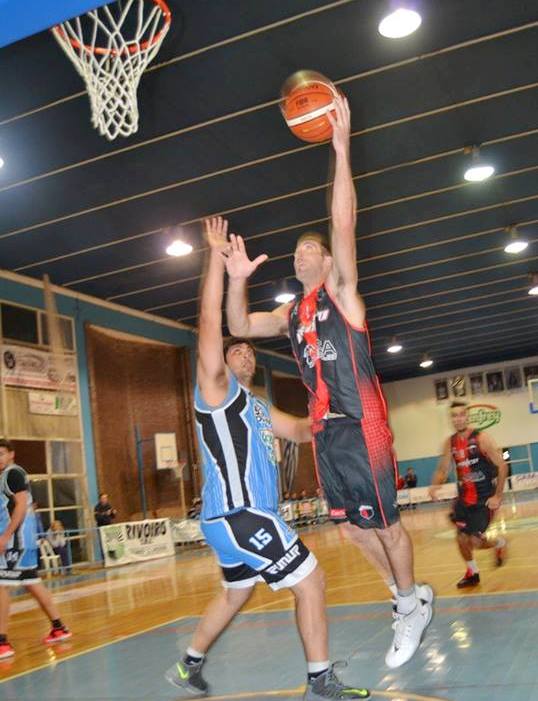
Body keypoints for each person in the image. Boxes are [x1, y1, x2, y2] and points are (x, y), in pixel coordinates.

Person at [225, 94, 432, 668]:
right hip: (326, 434)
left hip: (362, 424)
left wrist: (341, 149)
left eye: (310, 249)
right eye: (296, 252)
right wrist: (236, 278)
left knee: (386, 526)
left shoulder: (342, 294)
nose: (301, 255)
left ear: (328, 262)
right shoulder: (292, 313)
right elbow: (239, 325)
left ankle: (410, 604)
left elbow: (344, 223)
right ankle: (405, 598)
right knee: (352, 531)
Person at [164, 217, 370, 700]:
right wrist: (216, 260)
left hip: (228, 520)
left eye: (249, 353)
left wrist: (337, 417)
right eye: (235, 352)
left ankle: (188, 666)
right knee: (312, 580)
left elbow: (298, 429)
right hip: (241, 514)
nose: (245, 355)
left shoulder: (256, 406)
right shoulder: (215, 392)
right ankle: (320, 680)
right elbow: (209, 321)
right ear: (220, 363)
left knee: (237, 591)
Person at [0, 439, 71, 660]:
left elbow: (21, 506)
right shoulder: (8, 476)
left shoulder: (12, 474)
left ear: (11, 454)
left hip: (16, 541)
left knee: (1, 585)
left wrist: (6, 535)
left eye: (1, 453)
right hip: (25, 541)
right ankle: (59, 628)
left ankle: (2, 643)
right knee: (32, 583)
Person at [430, 402, 508, 588]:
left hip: (484, 500)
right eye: (454, 416)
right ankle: (472, 573)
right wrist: (435, 486)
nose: (458, 419)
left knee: (474, 542)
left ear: (467, 416)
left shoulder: (482, 438)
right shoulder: (450, 443)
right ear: (451, 419)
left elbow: (502, 466)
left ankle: (499, 544)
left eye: (461, 415)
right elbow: (443, 468)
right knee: (461, 538)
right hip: (463, 500)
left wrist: (497, 496)